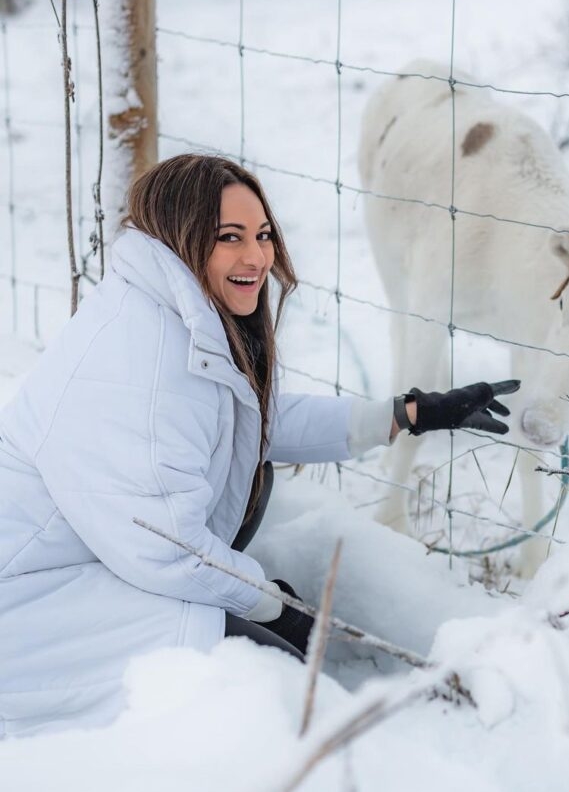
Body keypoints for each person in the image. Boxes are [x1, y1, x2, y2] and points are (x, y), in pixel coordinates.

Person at [0, 154, 519, 740]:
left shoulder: (167, 311)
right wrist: (270, 603)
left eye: (263, 235)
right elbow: (164, 548)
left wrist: (406, 415)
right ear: (181, 235)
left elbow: (247, 424)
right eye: (229, 238)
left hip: (96, 562)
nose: (257, 257)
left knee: (278, 660)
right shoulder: (143, 361)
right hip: (34, 604)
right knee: (271, 694)